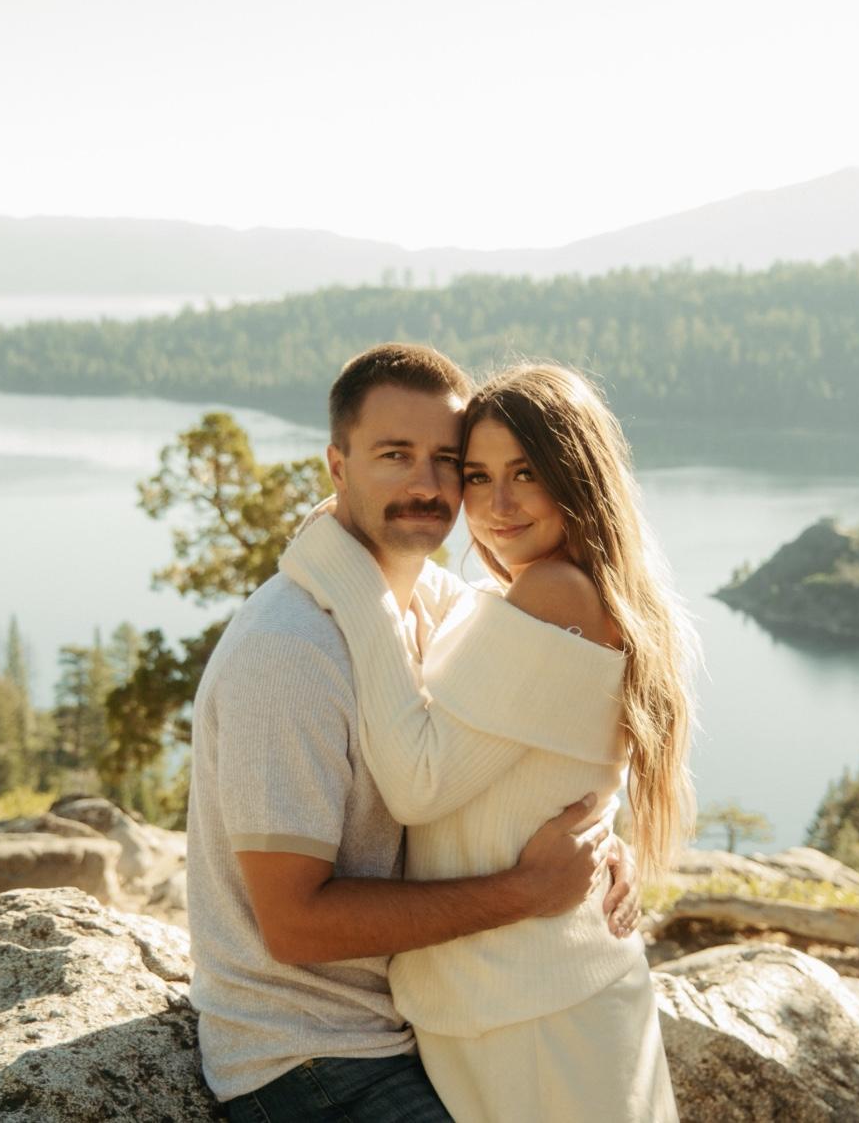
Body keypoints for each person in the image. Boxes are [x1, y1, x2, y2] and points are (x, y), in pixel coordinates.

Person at [187, 343, 640, 1120]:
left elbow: (528, 726)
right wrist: (528, 891)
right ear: (337, 467)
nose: (428, 485)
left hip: (419, 1025)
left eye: (448, 461)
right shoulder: (290, 651)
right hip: (309, 1055)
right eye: (395, 455)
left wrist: (590, 830)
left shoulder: (435, 604)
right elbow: (293, 925)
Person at [280, 361, 697, 1122]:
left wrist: (349, 580)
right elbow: (462, 618)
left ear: (578, 477)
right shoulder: (533, 591)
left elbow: (419, 784)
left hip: (533, 1011)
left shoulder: (557, 592)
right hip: (511, 999)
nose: (497, 505)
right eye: (476, 476)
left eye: (526, 473)